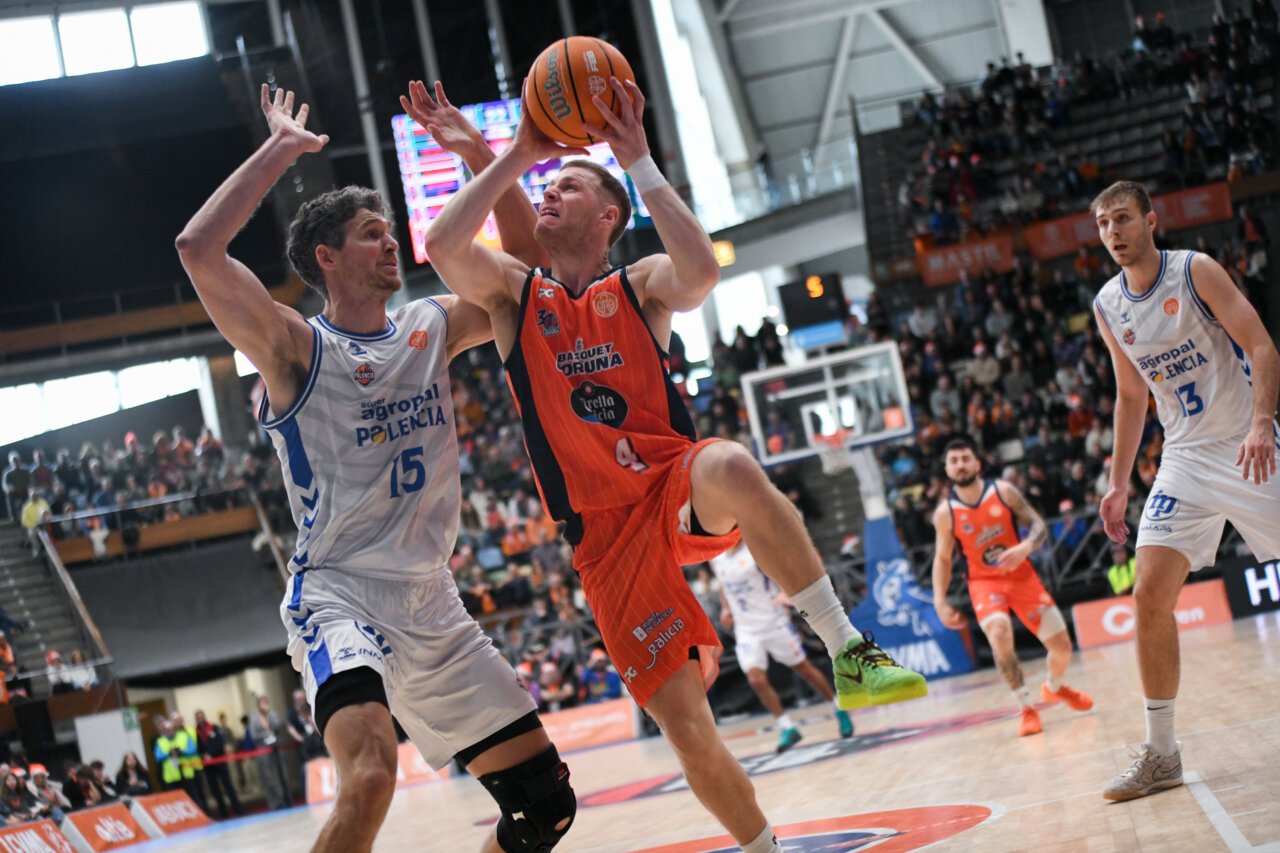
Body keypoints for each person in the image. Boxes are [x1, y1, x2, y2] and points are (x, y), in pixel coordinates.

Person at [424, 74, 926, 853]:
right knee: (690, 729)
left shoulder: (640, 285)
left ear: (609, 214)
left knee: (728, 462)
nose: (547, 194)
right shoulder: (514, 296)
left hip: (671, 488)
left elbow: (700, 273)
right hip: (604, 540)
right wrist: (510, 153)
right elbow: (445, 247)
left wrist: (640, 160)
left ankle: (845, 646)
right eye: (544, 185)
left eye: (566, 185)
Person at [175, 80, 576, 853]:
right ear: (327, 258)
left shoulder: (432, 325)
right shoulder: (295, 346)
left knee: (543, 804)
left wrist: (480, 154)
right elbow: (198, 250)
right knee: (369, 778)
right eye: (370, 234)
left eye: (390, 231)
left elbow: (526, 263)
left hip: (432, 602)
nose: (391, 242)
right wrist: (281, 150)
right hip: (340, 596)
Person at [1091, 180, 1280, 800]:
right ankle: (1162, 754)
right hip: (1185, 459)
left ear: (1151, 220)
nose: (1112, 232)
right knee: (1148, 595)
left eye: (1122, 218)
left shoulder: (1195, 271)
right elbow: (1129, 395)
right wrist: (1119, 482)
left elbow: (1260, 345)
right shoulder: (1107, 304)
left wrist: (1260, 425)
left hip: (1246, 442)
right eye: (1101, 225)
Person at [933, 434, 1094, 738]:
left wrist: (1026, 547)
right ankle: (1026, 708)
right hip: (983, 583)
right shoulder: (945, 513)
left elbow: (1039, 526)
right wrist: (939, 601)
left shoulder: (1003, 491)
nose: (960, 465)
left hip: (1022, 577)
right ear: (947, 469)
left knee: (1062, 648)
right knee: (998, 632)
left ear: (977, 463)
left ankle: (1055, 688)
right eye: (954, 461)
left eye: (965, 458)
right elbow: (942, 560)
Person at [710, 540, 854, 753]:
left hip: (773, 621)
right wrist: (725, 609)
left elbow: (781, 572)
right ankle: (787, 727)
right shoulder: (716, 556)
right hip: (746, 630)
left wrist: (787, 596)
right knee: (755, 679)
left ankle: (838, 708)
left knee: (803, 668)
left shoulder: (755, 550)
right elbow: (723, 583)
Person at [194, 710, 243, 817]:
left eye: (201, 716)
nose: (200, 719)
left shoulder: (214, 728)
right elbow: (196, 748)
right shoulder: (195, 732)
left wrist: (212, 754)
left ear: (204, 717)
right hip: (207, 765)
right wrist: (204, 756)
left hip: (219, 761)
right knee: (215, 789)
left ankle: (238, 809)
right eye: (198, 717)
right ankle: (223, 812)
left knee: (228, 785)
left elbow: (220, 742)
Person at [247, 695, 290, 811]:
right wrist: (267, 734)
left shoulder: (273, 714)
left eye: (266, 702)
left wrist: (268, 714)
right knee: (269, 778)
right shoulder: (254, 719)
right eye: (262, 703)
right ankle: (275, 803)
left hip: (276, 747)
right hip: (263, 749)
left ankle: (286, 800)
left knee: (282, 775)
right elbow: (254, 735)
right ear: (258, 705)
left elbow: (277, 725)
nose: (264, 705)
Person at [171, 712, 211, 815]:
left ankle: (207, 814)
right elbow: (172, 754)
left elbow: (198, 747)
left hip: (196, 766)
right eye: (176, 721)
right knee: (191, 796)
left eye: (180, 720)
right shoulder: (173, 736)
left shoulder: (191, 731)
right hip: (184, 770)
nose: (179, 722)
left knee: (201, 793)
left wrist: (203, 755)